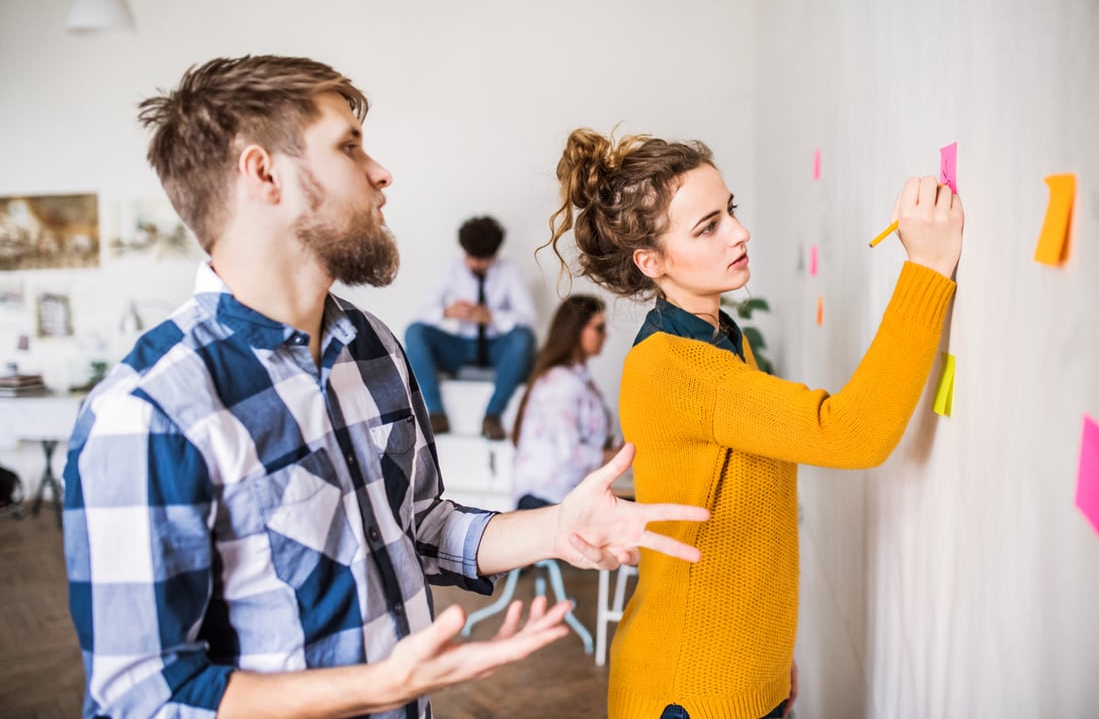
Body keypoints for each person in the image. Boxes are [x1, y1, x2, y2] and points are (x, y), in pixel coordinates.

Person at [61, 57, 711, 719]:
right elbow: (141, 698)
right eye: (349, 146)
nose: (381, 172)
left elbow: (417, 527)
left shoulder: (371, 347)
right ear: (263, 174)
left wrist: (558, 528)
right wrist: (374, 689)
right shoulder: (148, 412)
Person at [546, 128, 963, 719]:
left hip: (732, 677)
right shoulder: (677, 367)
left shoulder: (717, 340)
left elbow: (740, 511)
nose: (739, 232)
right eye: (708, 226)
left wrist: (768, 659)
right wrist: (926, 267)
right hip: (689, 691)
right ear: (651, 262)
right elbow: (852, 432)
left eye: (730, 211)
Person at [404, 215, 536, 440]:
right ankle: (435, 413)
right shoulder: (451, 268)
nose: (475, 264)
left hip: (497, 349)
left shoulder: (510, 271)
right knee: (415, 332)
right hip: (461, 347)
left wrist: (492, 317)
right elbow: (421, 313)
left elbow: (528, 318)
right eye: (471, 257)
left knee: (523, 338)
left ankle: (492, 415)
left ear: (494, 255)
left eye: (482, 259)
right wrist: (447, 312)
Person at [511, 294, 618, 510]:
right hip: (545, 499)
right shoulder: (560, 383)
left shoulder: (580, 380)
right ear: (576, 330)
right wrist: (619, 457)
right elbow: (567, 452)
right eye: (599, 328)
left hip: (563, 498)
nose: (605, 335)